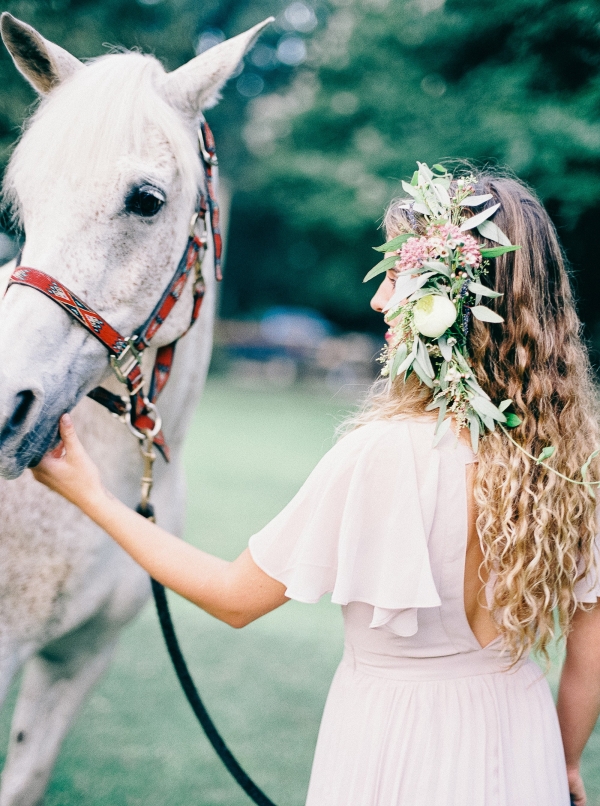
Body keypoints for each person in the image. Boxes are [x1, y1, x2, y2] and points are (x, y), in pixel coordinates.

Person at [32, 165, 600, 806]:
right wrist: (567, 760)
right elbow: (592, 630)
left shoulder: (385, 452)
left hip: (397, 742)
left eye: (398, 277)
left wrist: (89, 493)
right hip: (522, 743)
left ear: (451, 306)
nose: (379, 299)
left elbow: (235, 598)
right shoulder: (570, 458)